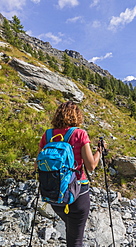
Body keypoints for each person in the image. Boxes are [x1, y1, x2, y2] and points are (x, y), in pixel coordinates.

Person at [35, 101, 104, 247]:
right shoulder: (79, 134)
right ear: (77, 116)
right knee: (75, 240)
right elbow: (91, 166)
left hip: (54, 193)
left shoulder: (47, 135)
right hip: (78, 192)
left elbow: (37, 165)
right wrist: (99, 151)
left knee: (70, 229)